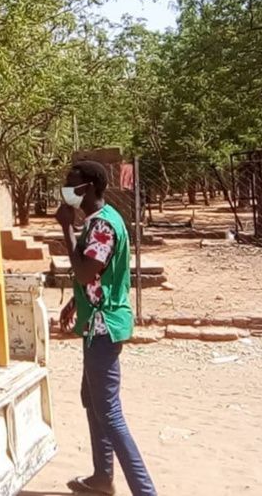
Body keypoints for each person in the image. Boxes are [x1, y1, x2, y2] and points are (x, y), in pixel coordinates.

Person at [56, 160, 156, 496]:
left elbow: (86, 272)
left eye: (71, 183)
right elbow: (95, 277)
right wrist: (75, 302)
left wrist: (66, 229)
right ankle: (102, 477)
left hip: (103, 328)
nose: (66, 189)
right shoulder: (103, 220)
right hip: (95, 322)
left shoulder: (101, 227)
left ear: (88, 188)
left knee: (109, 413)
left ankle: (145, 490)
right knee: (93, 400)